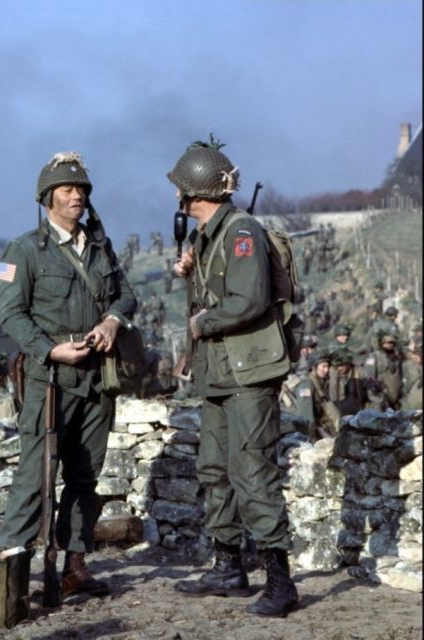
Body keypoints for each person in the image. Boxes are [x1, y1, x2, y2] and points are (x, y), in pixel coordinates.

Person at [0, 151, 137, 598]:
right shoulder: (23, 250)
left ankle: (75, 565)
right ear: (47, 199)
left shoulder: (99, 244)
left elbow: (126, 294)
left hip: (98, 377)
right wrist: (50, 349)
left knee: (84, 477)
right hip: (50, 381)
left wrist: (113, 320)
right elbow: (11, 316)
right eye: (67, 190)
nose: (77, 196)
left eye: (82, 190)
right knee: (35, 477)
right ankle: (13, 576)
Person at [167, 139, 298, 617]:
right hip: (220, 373)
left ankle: (281, 583)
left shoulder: (241, 230)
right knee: (215, 470)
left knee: (251, 471)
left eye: (181, 190)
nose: (178, 199)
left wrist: (203, 323)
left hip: (248, 371)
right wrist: (190, 271)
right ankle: (227, 567)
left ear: (191, 193)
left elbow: (249, 300)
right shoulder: (209, 236)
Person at [364, 332, 403, 411]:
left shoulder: (396, 358)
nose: (389, 345)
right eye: (387, 343)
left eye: (392, 343)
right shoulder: (374, 357)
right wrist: (375, 388)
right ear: (381, 343)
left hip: (394, 396)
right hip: (380, 395)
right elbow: (369, 375)